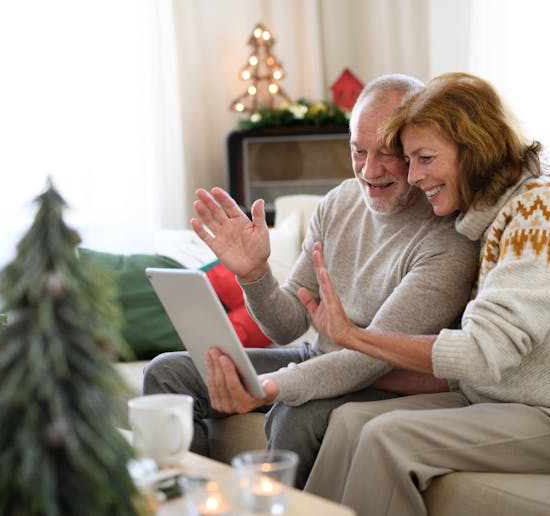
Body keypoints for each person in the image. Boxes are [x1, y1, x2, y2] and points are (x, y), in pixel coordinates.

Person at [299, 72, 550, 515]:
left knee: (387, 438)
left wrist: (355, 337)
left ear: (475, 149)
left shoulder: (546, 206)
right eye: (409, 160)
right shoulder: (486, 222)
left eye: (425, 158)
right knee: (349, 421)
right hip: (505, 401)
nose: (414, 176)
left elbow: (485, 352)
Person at [142, 74, 480, 488]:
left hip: (384, 378)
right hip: (319, 357)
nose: (369, 171)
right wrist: (255, 274)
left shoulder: (446, 237)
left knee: (294, 414)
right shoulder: (338, 202)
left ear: (414, 147)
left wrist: (267, 387)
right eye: (358, 150)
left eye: (388, 154)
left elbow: (369, 357)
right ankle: (195, 501)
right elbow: (286, 326)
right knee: (167, 374)